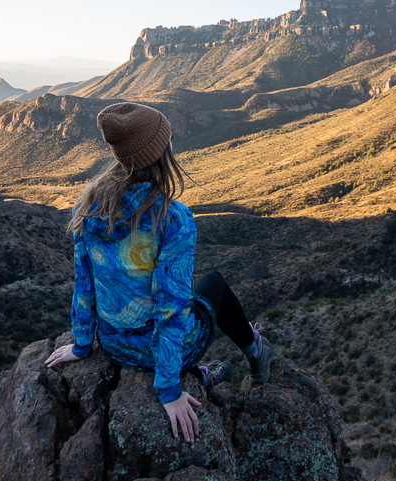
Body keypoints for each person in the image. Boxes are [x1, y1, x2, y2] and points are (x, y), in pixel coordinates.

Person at [45, 101, 274, 444]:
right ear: (159, 152)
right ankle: (255, 350)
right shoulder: (173, 218)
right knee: (214, 285)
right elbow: (170, 308)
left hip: (112, 343)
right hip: (157, 353)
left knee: (184, 296)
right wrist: (169, 390)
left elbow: (84, 284)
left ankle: (201, 374)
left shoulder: (89, 205)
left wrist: (81, 346)